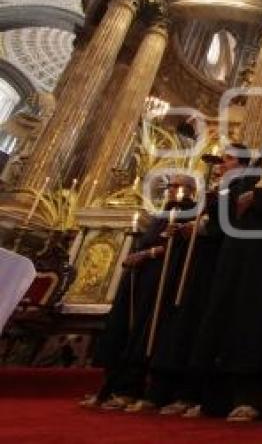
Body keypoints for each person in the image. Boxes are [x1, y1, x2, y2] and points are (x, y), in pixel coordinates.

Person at [191, 106, 262, 422]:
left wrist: (258, 198)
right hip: (240, 246)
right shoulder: (258, 158)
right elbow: (238, 197)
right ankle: (218, 396)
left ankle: (253, 396)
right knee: (228, 313)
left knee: (256, 316)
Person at [149, 144, 250, 417]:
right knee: (186, 325)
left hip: (218, 263)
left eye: (228, 159)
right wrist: (184, 227)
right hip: (197, 262)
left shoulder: (241, 186)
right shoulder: (215, 191)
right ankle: (177, 392)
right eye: (220, 160)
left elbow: (227, 221)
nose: (220, 164)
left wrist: (201, 227)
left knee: (206, 326)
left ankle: (198, 395)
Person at [83, 175, 196, 411]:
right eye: (170, 186)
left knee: (144, 332)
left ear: (191, 190)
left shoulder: (190, 212)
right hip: (142, 276)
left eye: (177, 186)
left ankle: (131, 389)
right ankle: (111, 388)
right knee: (124, 329)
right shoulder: (162, 213)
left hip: (162, 278)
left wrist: (148, 253)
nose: (171, 190)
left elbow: (178, 246)